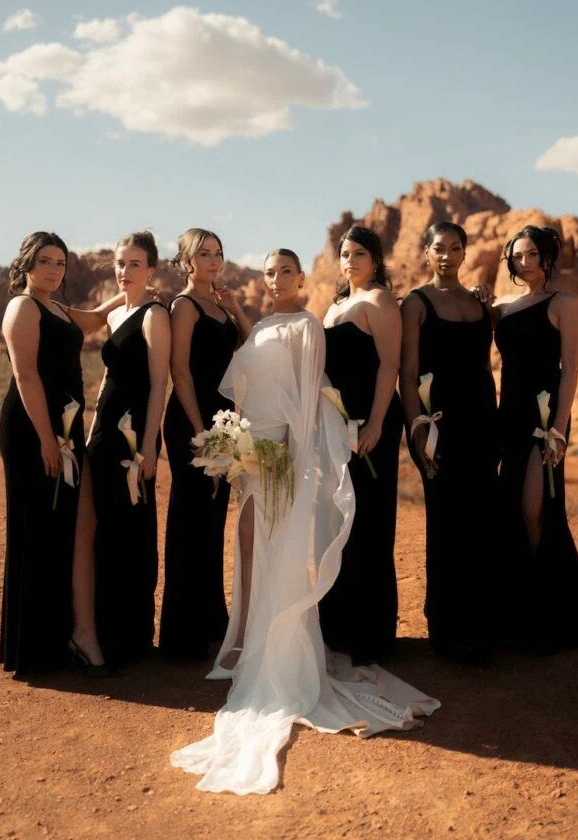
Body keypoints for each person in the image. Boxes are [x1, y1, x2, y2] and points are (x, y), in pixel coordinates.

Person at [171, 248, 439, 796]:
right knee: (248, 547)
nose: (276, 279)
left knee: (278, 547)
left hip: (282, 455)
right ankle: (242, 638)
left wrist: (287, 455)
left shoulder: (309, 325)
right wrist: (238, 442)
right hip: (251, 451)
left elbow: (306, 398)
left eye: (285, 271)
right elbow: (253, 367)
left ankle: (276, 650)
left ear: (299, 278)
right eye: (269, 272)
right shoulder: (264, 323)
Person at [0, 231, 123, 676]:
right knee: (38, 527)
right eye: (46, 261)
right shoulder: (23, 307)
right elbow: (26, 377)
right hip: (35, 430)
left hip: (67, 429)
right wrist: (47, 441)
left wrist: (122, 299)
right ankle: (34, 647)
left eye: (60, 263)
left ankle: (69, 635)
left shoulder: (56, 308)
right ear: (28, 265)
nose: (54, 269)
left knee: (72, 524)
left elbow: (88, 322)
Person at [478, 225, 578, 652]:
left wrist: (558, 429)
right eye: (518, 256)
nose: (524, 262)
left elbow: (571, 372)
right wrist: (476, 299)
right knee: (510, 509)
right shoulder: (503, 308)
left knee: (534, 509)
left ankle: (551, 614)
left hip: (544, 418)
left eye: (532, 255)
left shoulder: (565, 303)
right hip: (507, 417)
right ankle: (519, 613)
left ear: (548, 257)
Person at [400, 222, 498, 665]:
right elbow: (408, 373)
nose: (446, 255)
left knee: (480, 523)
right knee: (446, 522)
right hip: (438, 425)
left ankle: (481, 626)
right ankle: (447, 629)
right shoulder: (416, 303)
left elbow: (484, 367)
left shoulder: (478, 304)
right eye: (438, 248)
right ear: (426, 252)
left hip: (481, 422)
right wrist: (418, 430)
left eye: (455, 248)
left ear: (464, 253)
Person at [159, 228, 252, 660]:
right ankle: (183, 634)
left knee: (213, 520)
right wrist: (202, 435)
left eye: (218, 253)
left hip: (222, 423)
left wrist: (235, 308)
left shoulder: (219, 305)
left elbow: (250, 348)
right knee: (190, 519)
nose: (214, 261)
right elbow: (180, 372)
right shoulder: (184, 306)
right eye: (204, 254)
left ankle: (211, 619)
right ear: (186, 261)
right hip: (193, 423)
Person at [318, 226, 403, 665]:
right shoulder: (335, 307)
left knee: (369, 525)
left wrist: (376, 425)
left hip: (372, 429)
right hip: (337, 429)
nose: (351, 261)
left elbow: (389, 366)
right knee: (341, 524)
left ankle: (370, 634)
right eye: (346, 254)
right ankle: (339, 627)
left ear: (376, 259)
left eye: (360, 254)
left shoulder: (379, 300)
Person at [87, 231, 171, 666]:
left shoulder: (156, 314)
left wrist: (151, 446)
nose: (125, 271)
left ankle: (132, 639)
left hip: (135, 437)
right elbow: (85, 323)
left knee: (133, 532)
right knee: (106, 532)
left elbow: (160, 382)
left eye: (135, 264)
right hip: (104, 431)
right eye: (120, 263)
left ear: (151, 268)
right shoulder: (118, 311)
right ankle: (105, 631)